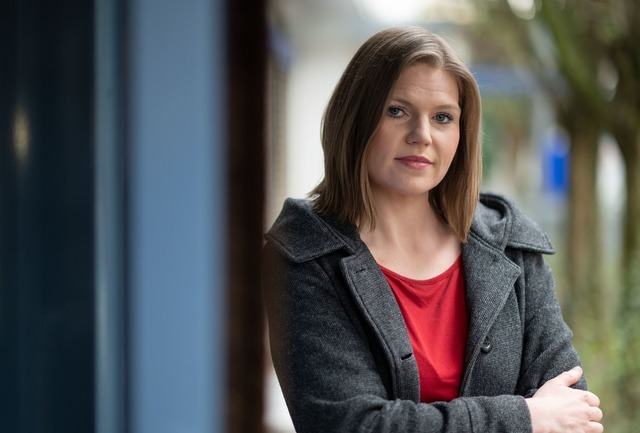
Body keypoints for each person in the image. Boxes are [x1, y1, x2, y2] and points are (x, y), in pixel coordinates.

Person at [262, 25, 603, 433]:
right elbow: (353, 425)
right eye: (397, 111)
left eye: (443, 117)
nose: (421, 136)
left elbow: (573, 408)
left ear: (462, 133)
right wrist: (526, 417)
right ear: (354, 120)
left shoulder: (509, 246)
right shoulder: (305, 255)